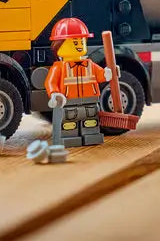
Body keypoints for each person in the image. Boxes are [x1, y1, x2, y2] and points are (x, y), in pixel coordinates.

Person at [45, 17, 112, 148]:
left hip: (90, 100)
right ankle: (69, 138)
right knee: (69, 122)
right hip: (68, 102)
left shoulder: (89, 64)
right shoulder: (59, 67)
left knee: (91, 119)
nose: (80, 45)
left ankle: (91, 136)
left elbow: (100, 75)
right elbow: (50, 82)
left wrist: (107, 74)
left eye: (82, 41)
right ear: (59, 45)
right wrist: (54, 94)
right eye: (75, 43)